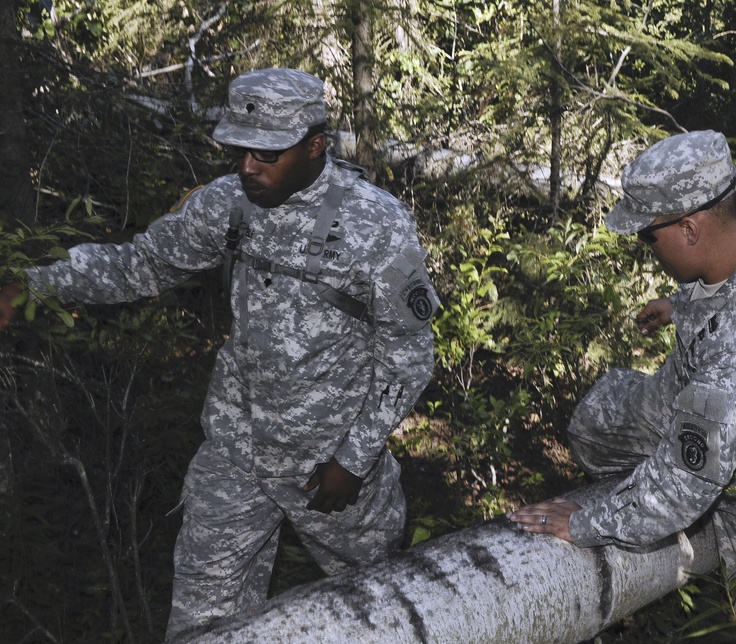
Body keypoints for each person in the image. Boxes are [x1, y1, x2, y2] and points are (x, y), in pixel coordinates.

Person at [0, 68, 438, 640]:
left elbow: (409, 354)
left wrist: (354, 459)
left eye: (266, 154)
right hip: (236, 452)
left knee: (381, 611)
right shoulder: (228, 204)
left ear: (314, 146)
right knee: (202, 624)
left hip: (331, 467)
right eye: (239, 150)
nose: (247, 167)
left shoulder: (377, 225)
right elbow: (143, 264)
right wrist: (35, 286)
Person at [508, 130, 736, 642]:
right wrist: (682, 303)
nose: (645, 246)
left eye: (647, 235)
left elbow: (679, 489)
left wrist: (586, 522)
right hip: (697, 389)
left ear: (689, 229)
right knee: (593, 423)